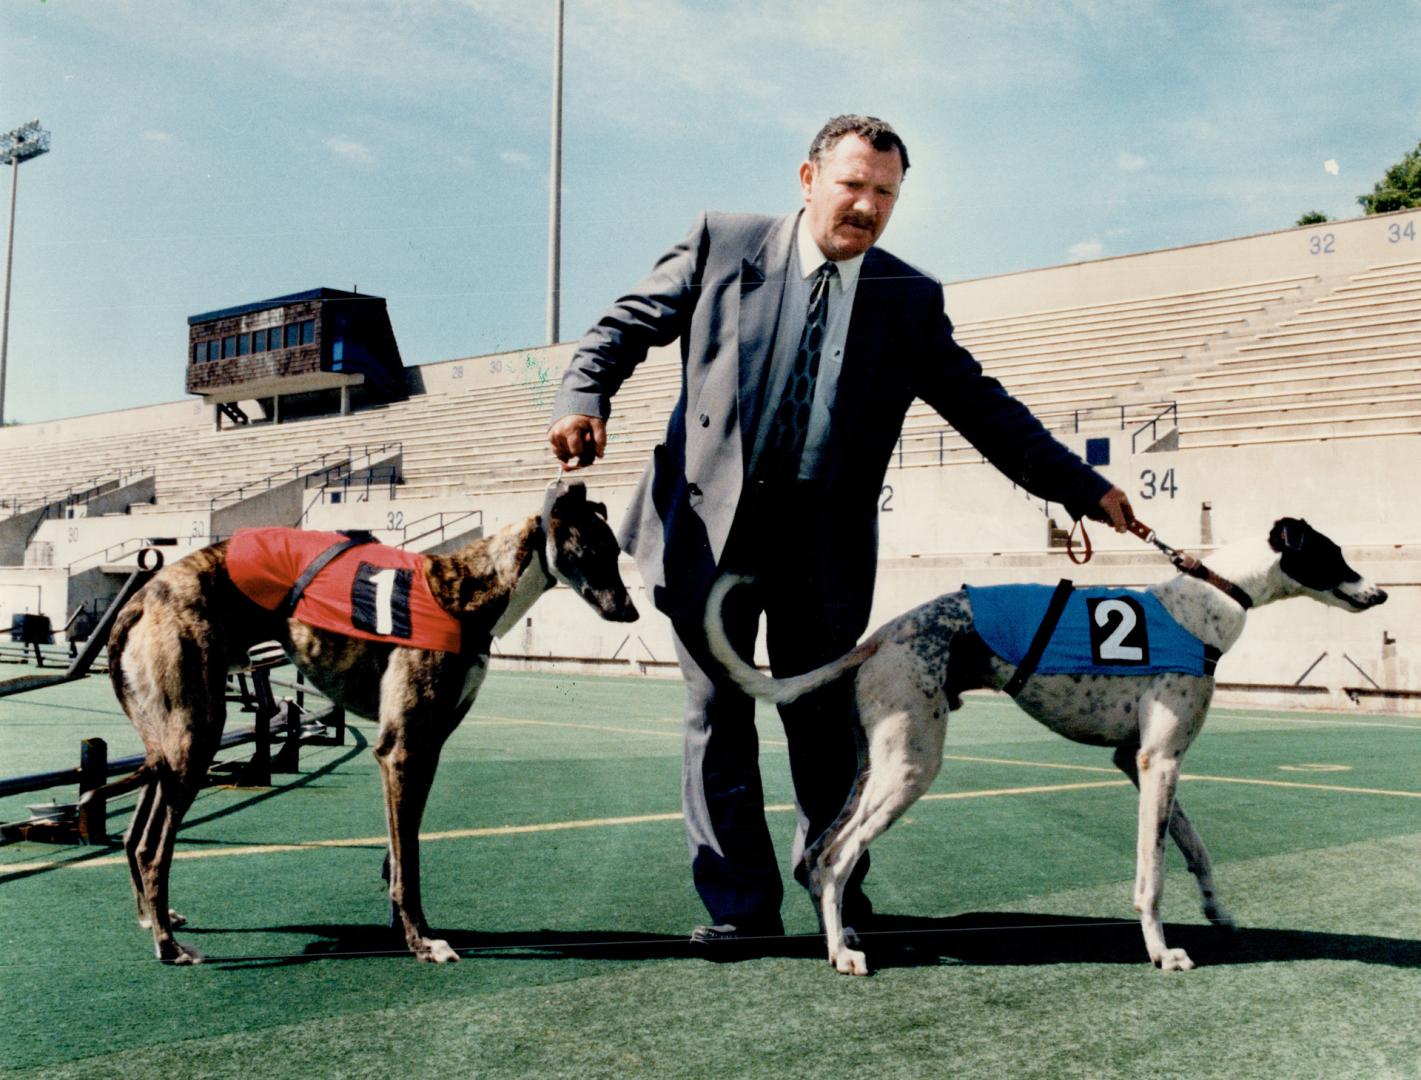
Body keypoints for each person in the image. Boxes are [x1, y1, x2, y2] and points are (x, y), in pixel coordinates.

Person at [548, 115, 1133, 945]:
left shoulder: (908, 297)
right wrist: (582, 396)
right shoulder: (723, 242)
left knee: (823, 724)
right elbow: (624, 324)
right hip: (706, 524)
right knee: (715, 713)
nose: (865, 205)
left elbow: (983, 409)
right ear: (808, 178)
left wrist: (1083, 488)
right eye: (852, 185)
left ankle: (835, 888)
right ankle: (739, 911)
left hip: (817, 541)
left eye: (884, 193)